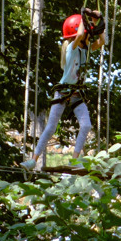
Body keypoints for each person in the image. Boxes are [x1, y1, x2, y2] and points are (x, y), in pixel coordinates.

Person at [20, 9, 105, 170]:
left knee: (86, 125)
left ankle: (75, 161)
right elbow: (80, 34)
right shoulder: (72, 48)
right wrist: (83, 16)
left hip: (76, 93)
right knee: (51, 127)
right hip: (63, 92)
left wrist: (96, 20)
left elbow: (101, 41)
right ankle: (33, 160)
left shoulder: (84, 50)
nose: (88, 36)